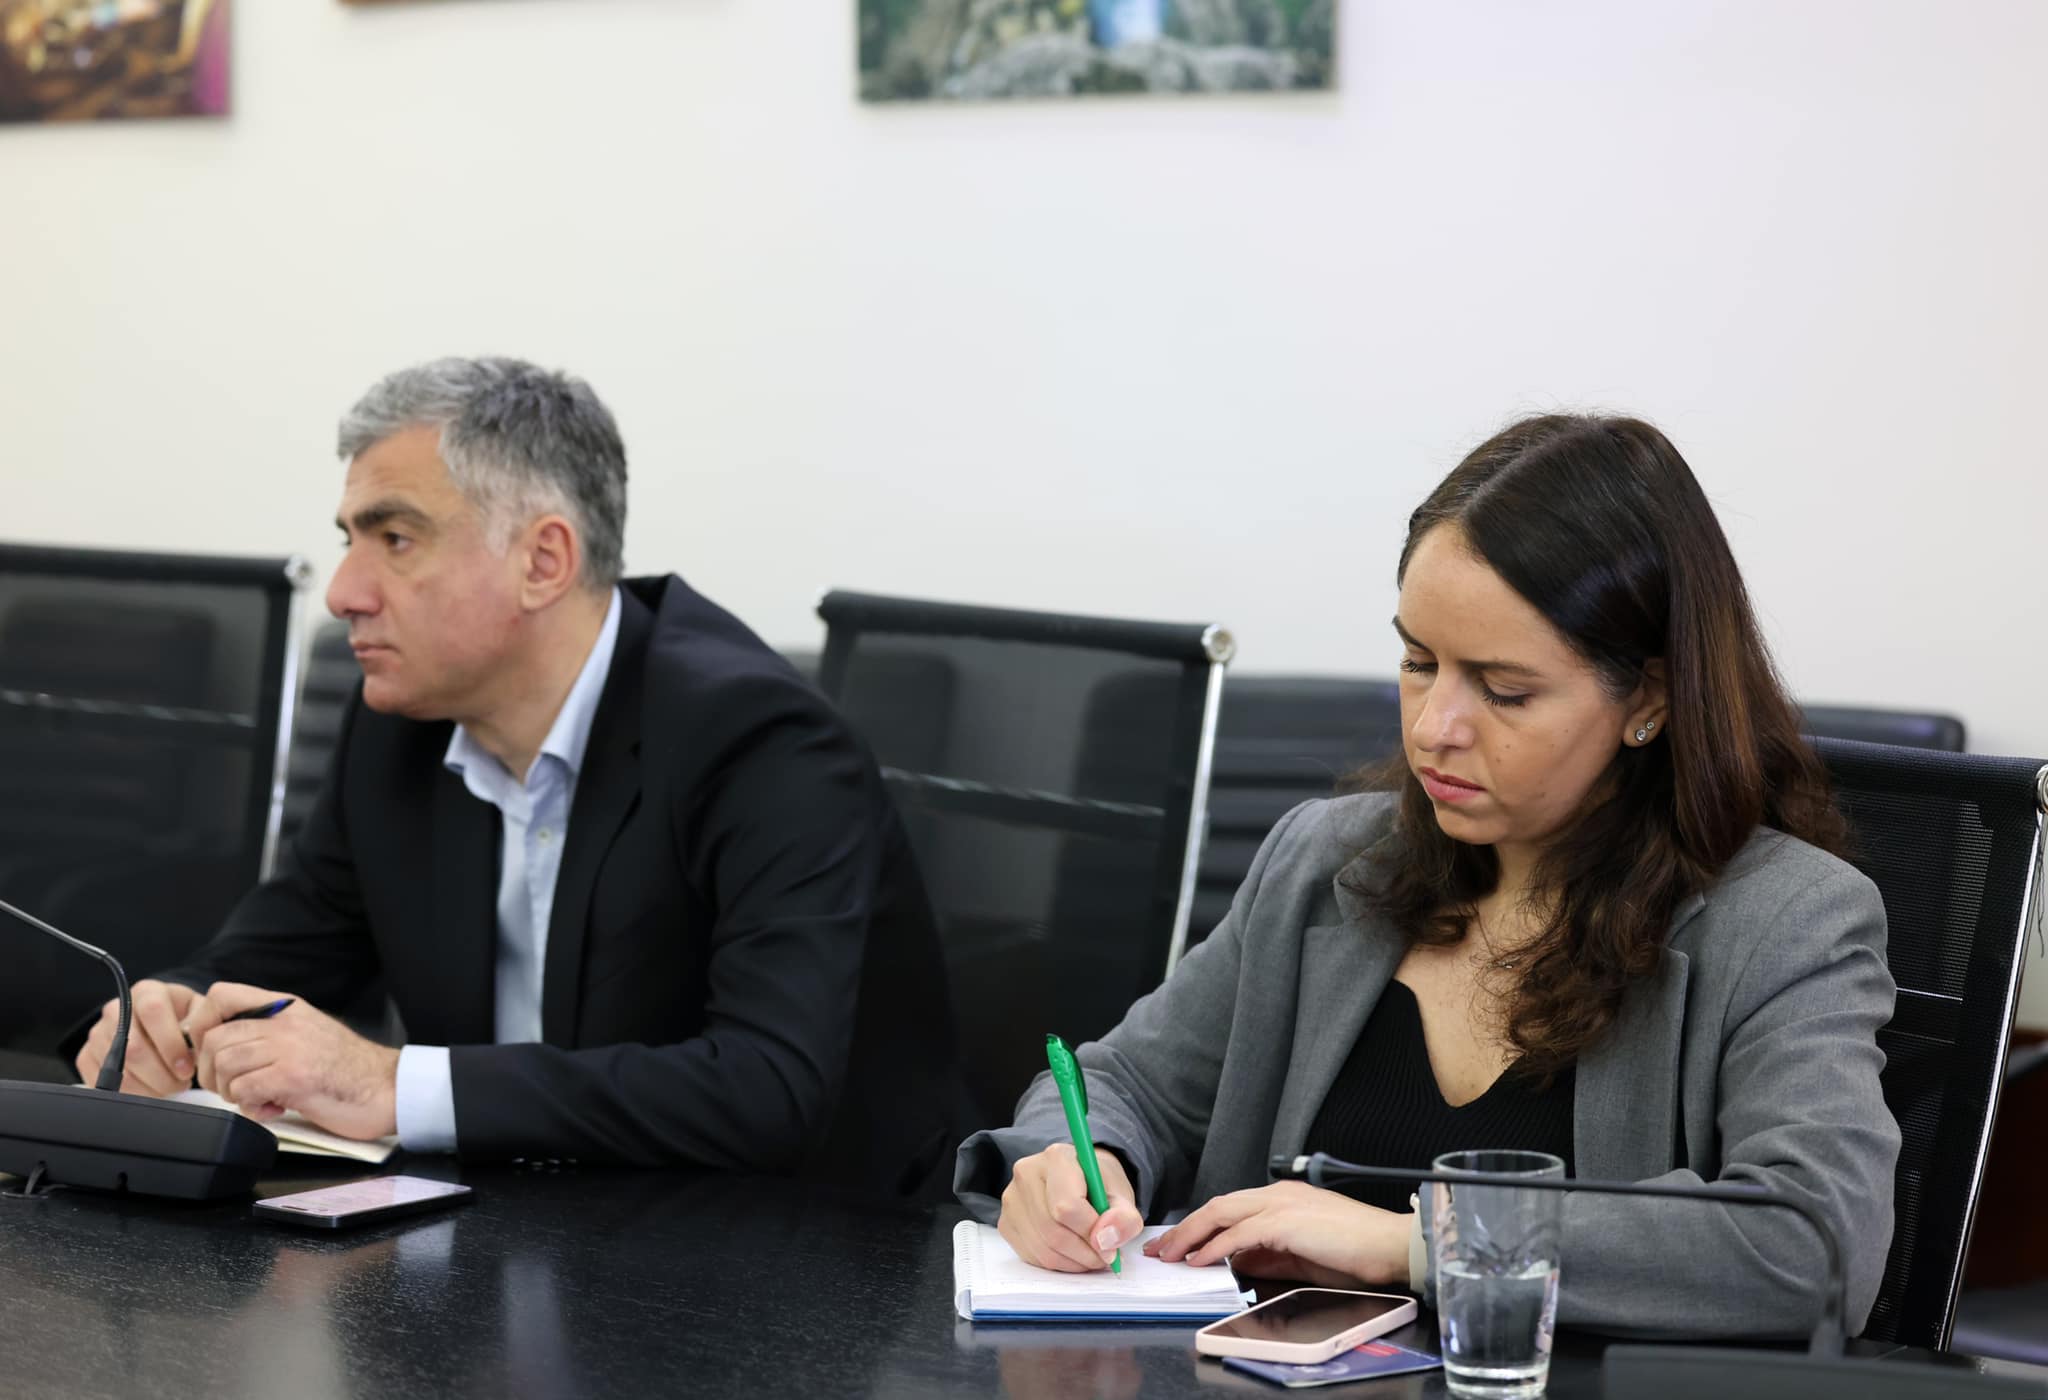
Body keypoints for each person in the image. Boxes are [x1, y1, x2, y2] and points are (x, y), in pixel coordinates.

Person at [957, 414, 1901, 1336]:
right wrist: (1078, 1163)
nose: (1434, 728)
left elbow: (1814, 1242)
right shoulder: (1325, 860)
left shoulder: (1790, 920)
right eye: (1417, 661)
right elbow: (1126, 1085)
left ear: (1647, 698)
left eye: (1505, 691)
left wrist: (1421, 1244)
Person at [73, 356, 965, 1194]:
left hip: (795, 1255)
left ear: (543, 561)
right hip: (514, 1229)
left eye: (395, 538)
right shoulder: (398, 727)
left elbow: (766, 1088)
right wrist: (172, 1017)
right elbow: (277, 956)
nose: (345, 592)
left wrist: (391, 1084)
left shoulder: (761, 741)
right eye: (350, 540)